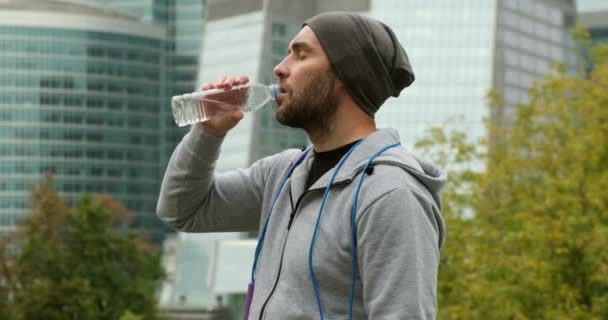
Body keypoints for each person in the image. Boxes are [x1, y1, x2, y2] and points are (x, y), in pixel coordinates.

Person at [157, 11, 446, 320]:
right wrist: (208, 132)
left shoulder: (391, 194)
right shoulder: (282, 174)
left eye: (301, 55)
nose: (280, 68)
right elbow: (182, 210)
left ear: (345, 75)